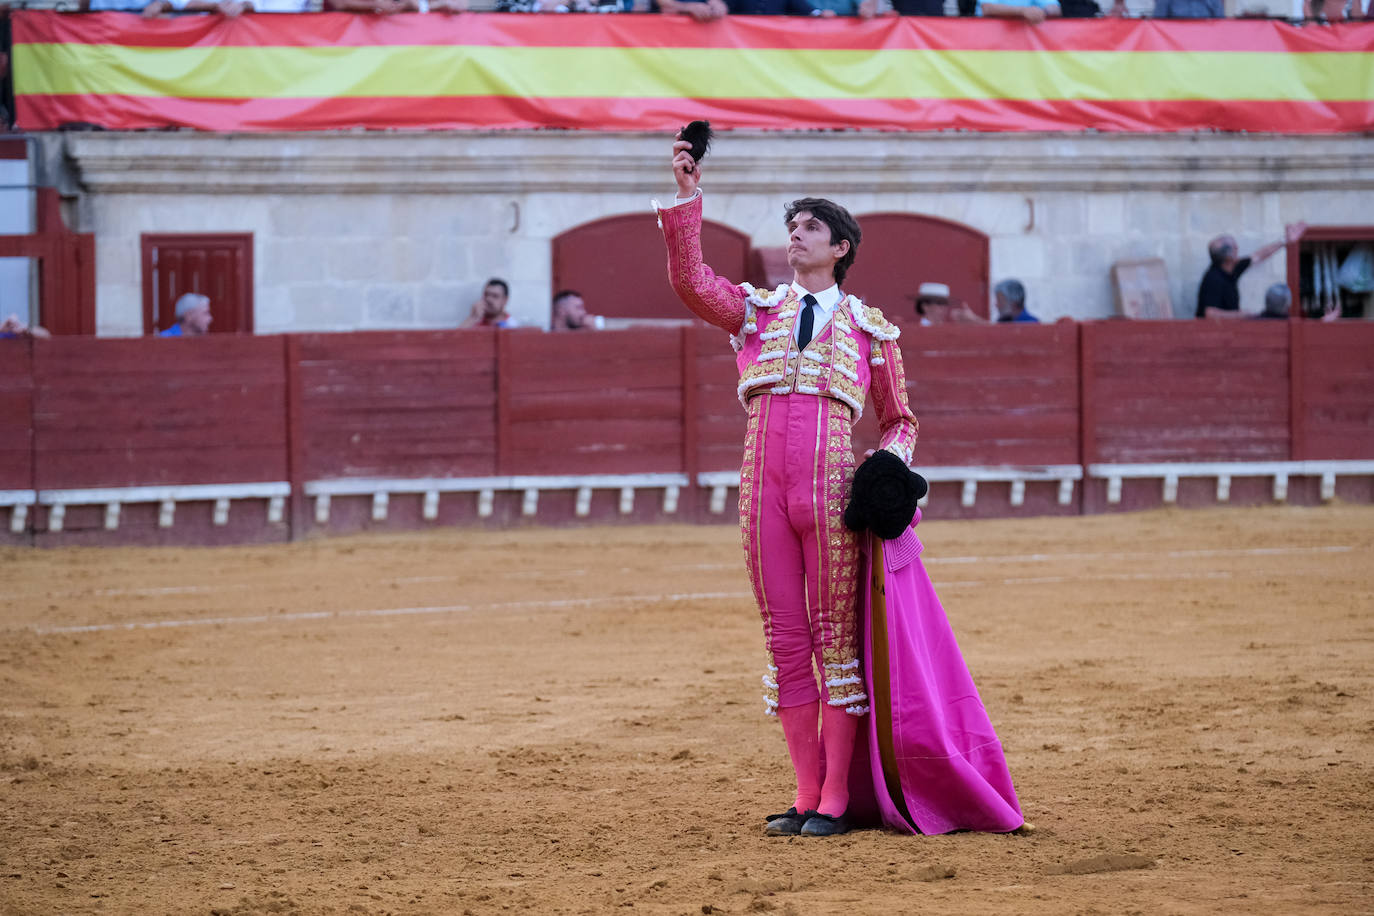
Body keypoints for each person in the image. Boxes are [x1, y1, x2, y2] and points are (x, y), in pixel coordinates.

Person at [658, 133, 918, 838]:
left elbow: (900, 422)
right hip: (761, 492)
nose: (795, 237)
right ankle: (806, 795)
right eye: (792, 227)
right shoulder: (755, 311)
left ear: (840, 247)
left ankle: (836, 799)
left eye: (809, 228)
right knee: (783, 638)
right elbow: (691, 282)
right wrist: (688, 198)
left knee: (835, 640)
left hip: (832, 497)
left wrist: (889, 469)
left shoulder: (872, 331)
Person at [1196, 223, 1306, 319]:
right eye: (1235, 248)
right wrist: (1240, 315)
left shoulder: (1231, 268)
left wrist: (1285, 240)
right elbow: (1210, 314)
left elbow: (1259, 255)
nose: (1238, 249)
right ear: (1228, 257)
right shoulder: (1213, 278)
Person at [912, 281, 981, 326]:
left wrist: (973, 319)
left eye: (945, 303)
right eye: (939, 303)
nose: (943, 307)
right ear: (925, 306)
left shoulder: (951, 326)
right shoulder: (916, 327)